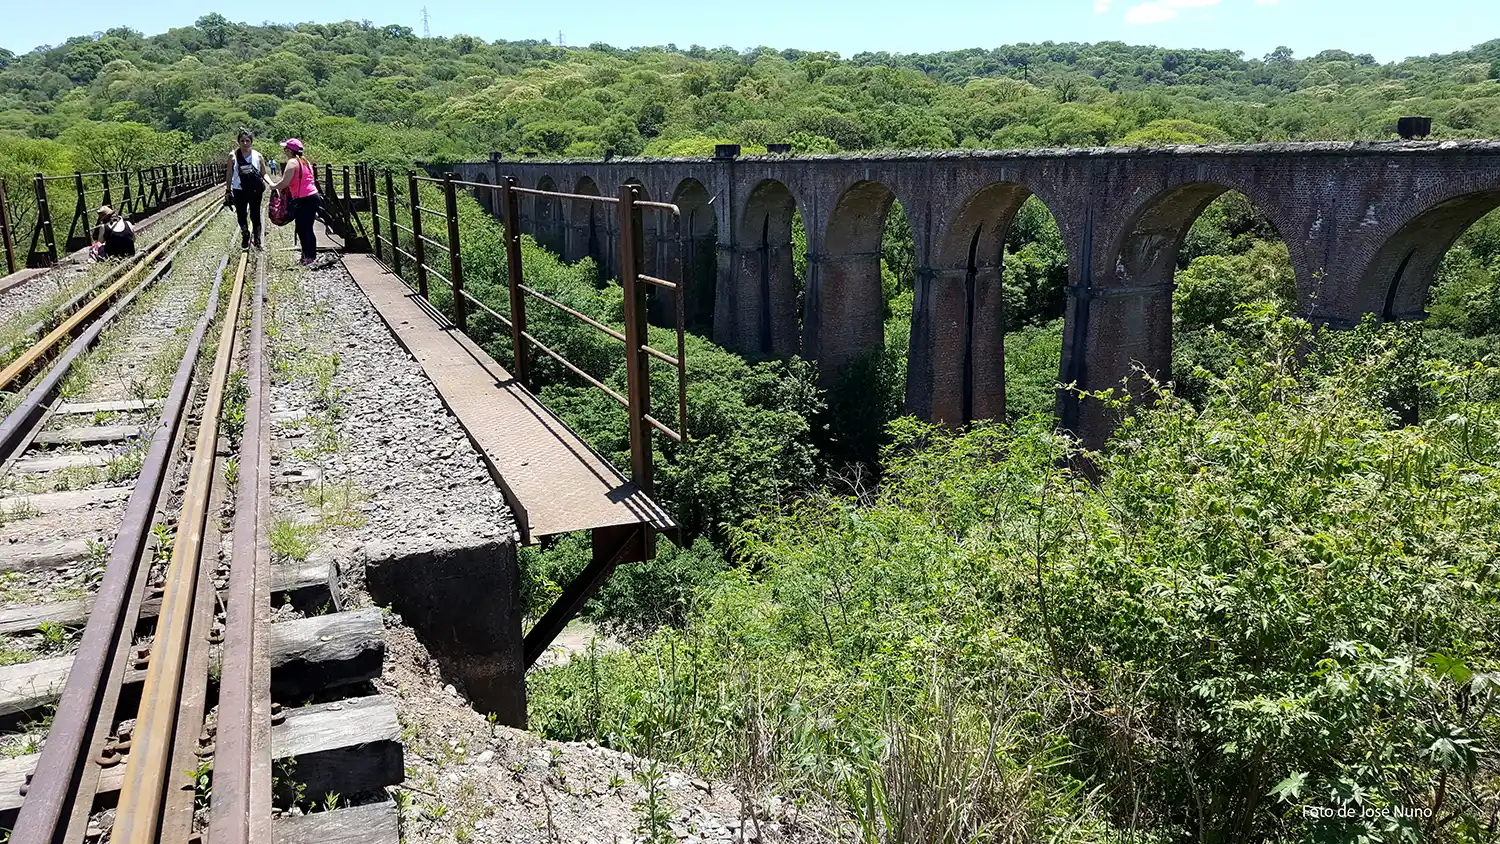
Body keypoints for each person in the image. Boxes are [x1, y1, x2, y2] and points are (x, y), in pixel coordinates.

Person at [269, 138, 320, 266]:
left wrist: (274, 186)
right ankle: (310, 255)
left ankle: (308, 257)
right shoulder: (305, 162)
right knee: (308, 228)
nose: (284, 151)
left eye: (285, 149)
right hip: (313, 196)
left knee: (303, 228)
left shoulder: (292, 162)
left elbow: (285, 182)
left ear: (290, 151)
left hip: (304, 198)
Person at [226, 129, 266, 249]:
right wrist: (228, 190)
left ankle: (257, 239)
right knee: (241, 214)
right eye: (242, 141)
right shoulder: (233, 156)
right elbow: (229, 174)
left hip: (255, 190)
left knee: (255, 214)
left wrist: (273, 185)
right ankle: (245, 233)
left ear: (251, 142)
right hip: (239, 189)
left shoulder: (258, 156)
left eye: (247, 141)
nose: (245, 143)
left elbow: (264, 173)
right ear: (238, 142)